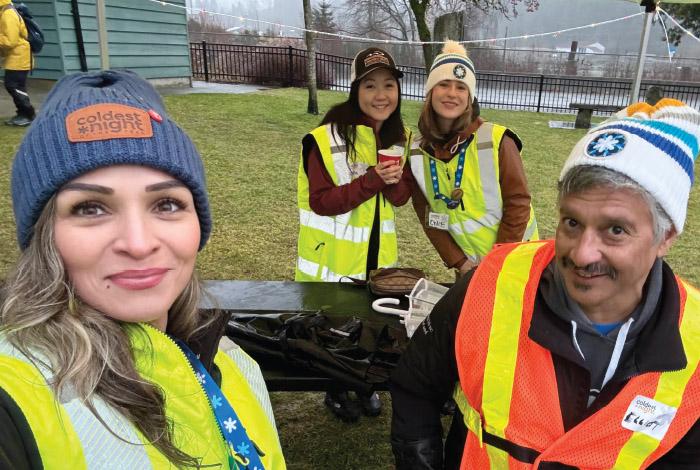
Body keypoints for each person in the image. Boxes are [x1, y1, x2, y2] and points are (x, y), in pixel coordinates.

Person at [390, 98, 700, 468]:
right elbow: (415, 385)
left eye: (615, 230)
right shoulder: (490, 284)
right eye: (571, 222)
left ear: (666, 236)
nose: (582, 254)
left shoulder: (695, 347)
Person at [0, 70, 285, 469]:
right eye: (90, 208)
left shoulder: (234, 363)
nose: (138, 243)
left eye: (166, 204)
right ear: (43, 236)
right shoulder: (12, 402)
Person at [295, 47, 413, 422]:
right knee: (333, 328)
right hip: (331, 256)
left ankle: (363, 385)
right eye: (371, 85)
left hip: (377, 255)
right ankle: (336, 390)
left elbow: (400, 198)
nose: (381, 95)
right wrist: (372, 180)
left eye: (389, 85)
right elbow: (321, 202)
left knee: (371, 325)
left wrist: (394, 181)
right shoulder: (325, 138)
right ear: (355, 89)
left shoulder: (399, 136)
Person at [409, 41, 538, 277]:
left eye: (461, 87)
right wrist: (459, 262)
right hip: (468, 271)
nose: (451, 94)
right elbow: (427, 215)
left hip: (512, 265)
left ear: (470, 96)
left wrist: (495, 264)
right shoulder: (417, 151)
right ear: (430, 92)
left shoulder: (497, 140)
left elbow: (518, 205)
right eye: (443, 84)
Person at [0, 0, 35, 126]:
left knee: (14, 86)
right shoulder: (5, 11)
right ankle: (22, 113)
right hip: (16, 57)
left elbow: (10, 41)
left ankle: (28, 114)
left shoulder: (8, 14)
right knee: (14, 86)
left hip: (19, 57)